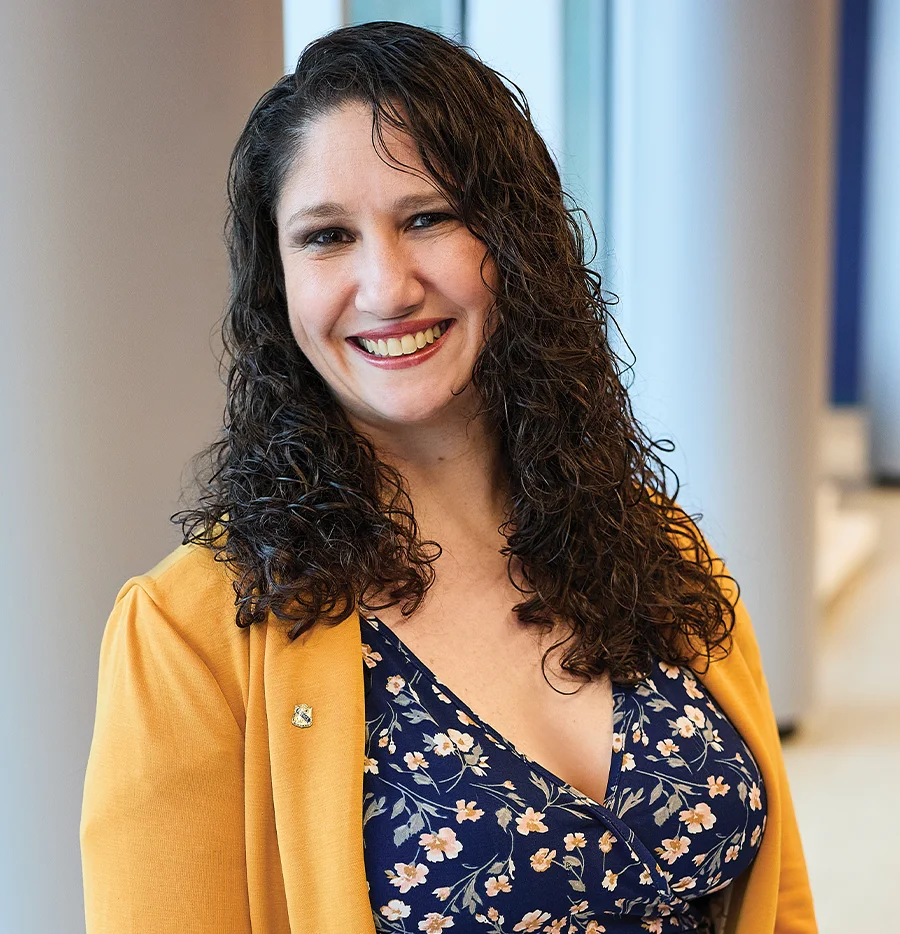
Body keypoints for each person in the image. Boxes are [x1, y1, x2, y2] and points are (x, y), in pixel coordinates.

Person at [80, 20, 816, 934]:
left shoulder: (655, 548)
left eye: (428, 217)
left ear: (516, 242)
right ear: (278, 286)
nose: (386, 287)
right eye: (327, 237)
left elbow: (777, 903)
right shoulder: (191, 635)